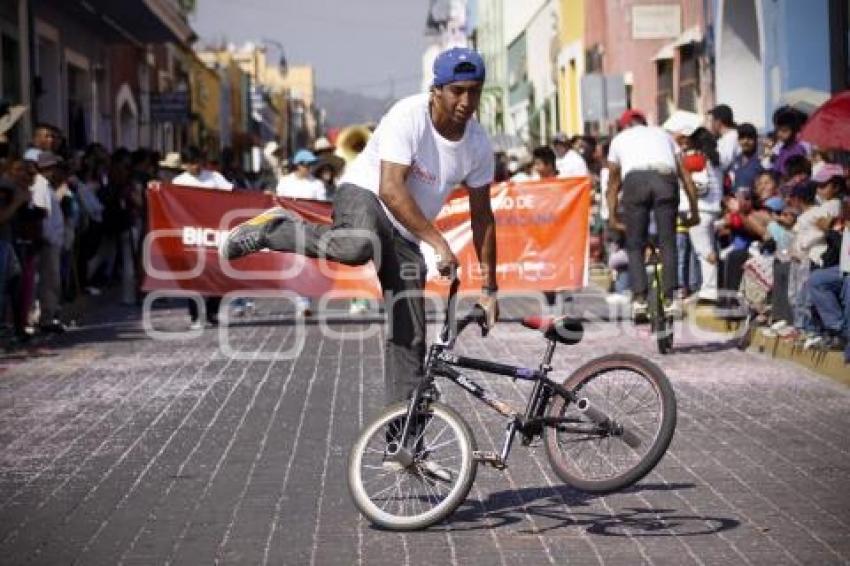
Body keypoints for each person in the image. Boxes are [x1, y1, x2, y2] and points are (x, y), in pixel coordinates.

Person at [221, 46, 499, 408]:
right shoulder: (409, 115)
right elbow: (391, 189)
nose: (466, 100)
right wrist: (438, 242)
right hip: (366, 194)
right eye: (457, 90)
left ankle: (401, 444)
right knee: (357, 245)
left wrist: (490, 289)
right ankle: (273, 229)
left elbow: (483, 217)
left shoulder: (477, 144)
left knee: (410, 337)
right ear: (437, 90)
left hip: (405, 232)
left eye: (474, 91)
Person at [606, 109, 700, 319]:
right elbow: (685, 176)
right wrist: (694, 212)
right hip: (664, 179)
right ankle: (670, 299)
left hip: (635, 182)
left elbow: (612, 183)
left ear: (625, 125)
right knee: (668, 241)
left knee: (635, 244)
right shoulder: (663, 135)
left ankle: (639, 300)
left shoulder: (619, 139)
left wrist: (613, 217)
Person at [707, 104, 739, 179]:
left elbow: (724, 162)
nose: (711, 124)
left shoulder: (731, 137)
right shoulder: (726, 138)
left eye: (712, 121)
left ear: (718, 122)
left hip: (731, 184)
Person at [731, 123, 763, 191]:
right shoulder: (734, 161)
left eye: (750, 138)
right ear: (738, 140)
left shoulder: (761, 162)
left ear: (755, 140)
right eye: (742, 137)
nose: (745, 141)